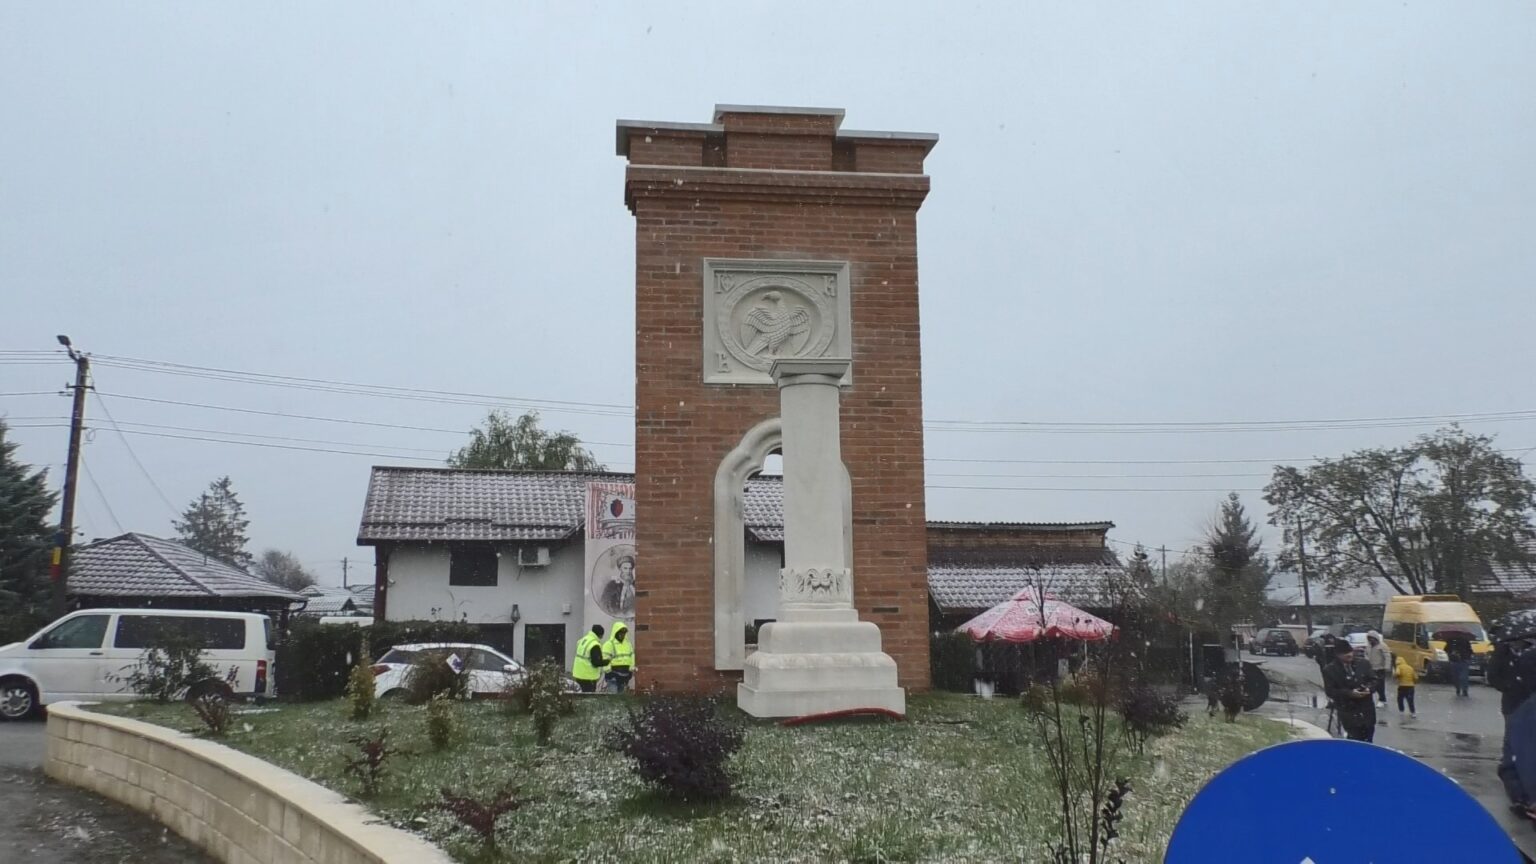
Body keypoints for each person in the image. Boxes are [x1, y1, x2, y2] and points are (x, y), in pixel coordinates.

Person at [1489, 635, 1536, 816]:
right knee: (1517, 743)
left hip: (1522, 704)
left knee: (1517, 744)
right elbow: (1494, 676)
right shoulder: (1504, 652)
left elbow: (1508, 767)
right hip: (1515, 702)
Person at [1323, 638, 1377, 742]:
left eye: (1350, 652)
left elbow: (1374, 680)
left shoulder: (1363, 663)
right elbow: (1330, 691)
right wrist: (1349, 693)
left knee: (1368, 739)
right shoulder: (1330, 670)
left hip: (1367, 709)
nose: (1349, 655)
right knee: (1355, 739)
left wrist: (1368, 689)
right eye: (1345, 654)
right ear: (1338, 655)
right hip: (1348, 711)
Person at [572, 624, 608, 693]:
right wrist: (607, 662)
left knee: (580, 694)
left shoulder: (582, 640)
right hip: (588, 676)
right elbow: (596, 662)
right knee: (589, 696)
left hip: (578, 674)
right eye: (602, 635)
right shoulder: (595, 644)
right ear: (600, 634)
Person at [602, 621, 635, 694]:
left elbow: (632, 656)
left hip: (625, 675)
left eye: (624, 633)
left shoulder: (628, 644)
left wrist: (631, 670)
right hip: (613, 675)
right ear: (616, 632)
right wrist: (608, 671)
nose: (622, 635)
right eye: (620, 633)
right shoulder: (609, 644)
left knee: (621, 697)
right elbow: (605, 658)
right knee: (613, 697)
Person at [1444, 631, 1474, 697]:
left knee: (1463, 676)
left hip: (1464, 660)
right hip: (1455, 661)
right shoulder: (1451, 641)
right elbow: (1446, 649)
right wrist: (1451, 653)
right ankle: (1458, 688)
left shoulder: (1465, 641)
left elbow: (1470, 650)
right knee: (1456, 677)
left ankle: (1464, 690)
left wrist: (1466, 655)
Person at [1365, 632, 1391, 708]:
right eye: (1369, 639)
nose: (1370, 640)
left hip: (1380, 669)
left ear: (1375, 638)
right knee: (1372, 685)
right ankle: (1382, 699)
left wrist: (1387, 666)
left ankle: (1382, 700)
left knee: (1380, 686)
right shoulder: (1368, 646)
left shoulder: (1382, 646)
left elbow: (1387, 656)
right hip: (1371, 668)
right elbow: (1366, 654)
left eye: (1372, 638)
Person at [1393, 654, 1417, 718]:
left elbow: (1397, 673)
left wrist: (1395, 676)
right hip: (1411, 686)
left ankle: (1401, 711)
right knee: (1410, 700)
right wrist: (1414, 682)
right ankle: (1413, 712)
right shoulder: (1410, 667)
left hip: (1402, 686)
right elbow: (1415, 677)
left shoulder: (1399, 667)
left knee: (1400, 699)